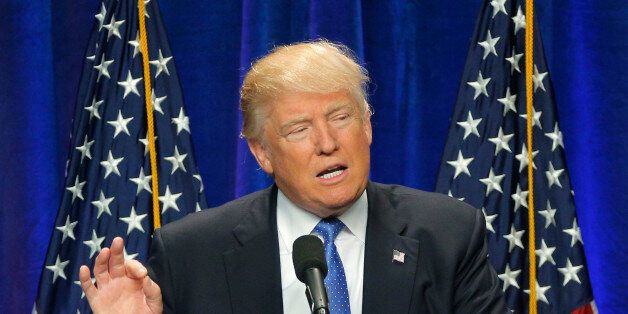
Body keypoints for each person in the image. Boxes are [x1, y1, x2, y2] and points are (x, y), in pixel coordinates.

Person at [80, 40, 506, 313]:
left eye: (341, 118)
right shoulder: (191, 254)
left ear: (368, 126)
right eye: (299, 129)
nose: (327, 142)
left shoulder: (448, 234)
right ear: (262, 152)